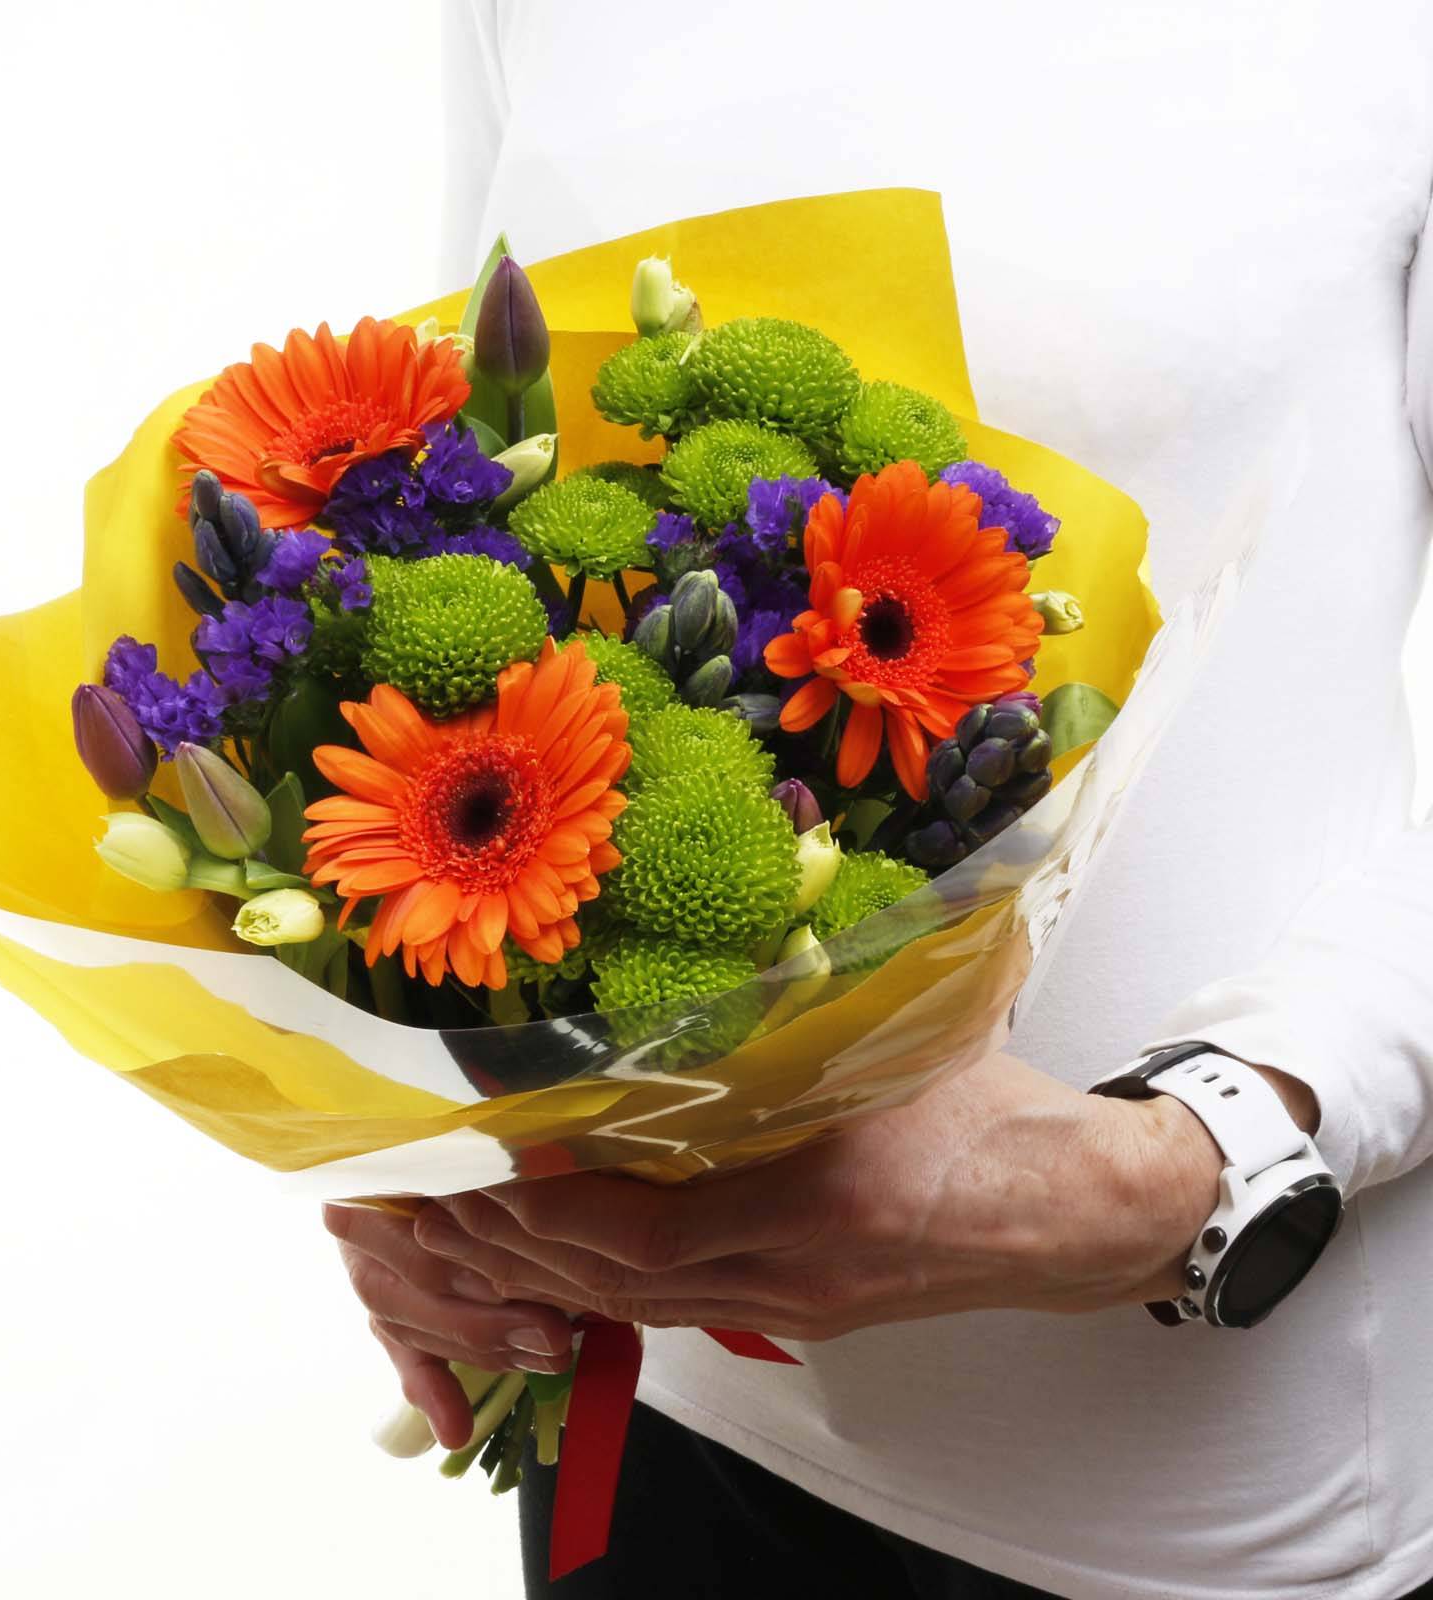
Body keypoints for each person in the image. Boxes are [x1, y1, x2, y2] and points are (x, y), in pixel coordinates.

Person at [324, 3, 1433, 1594]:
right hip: (647, 1388)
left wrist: (1174, 1163)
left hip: (1192, 1473)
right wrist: (427, 1155)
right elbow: (474, 526)